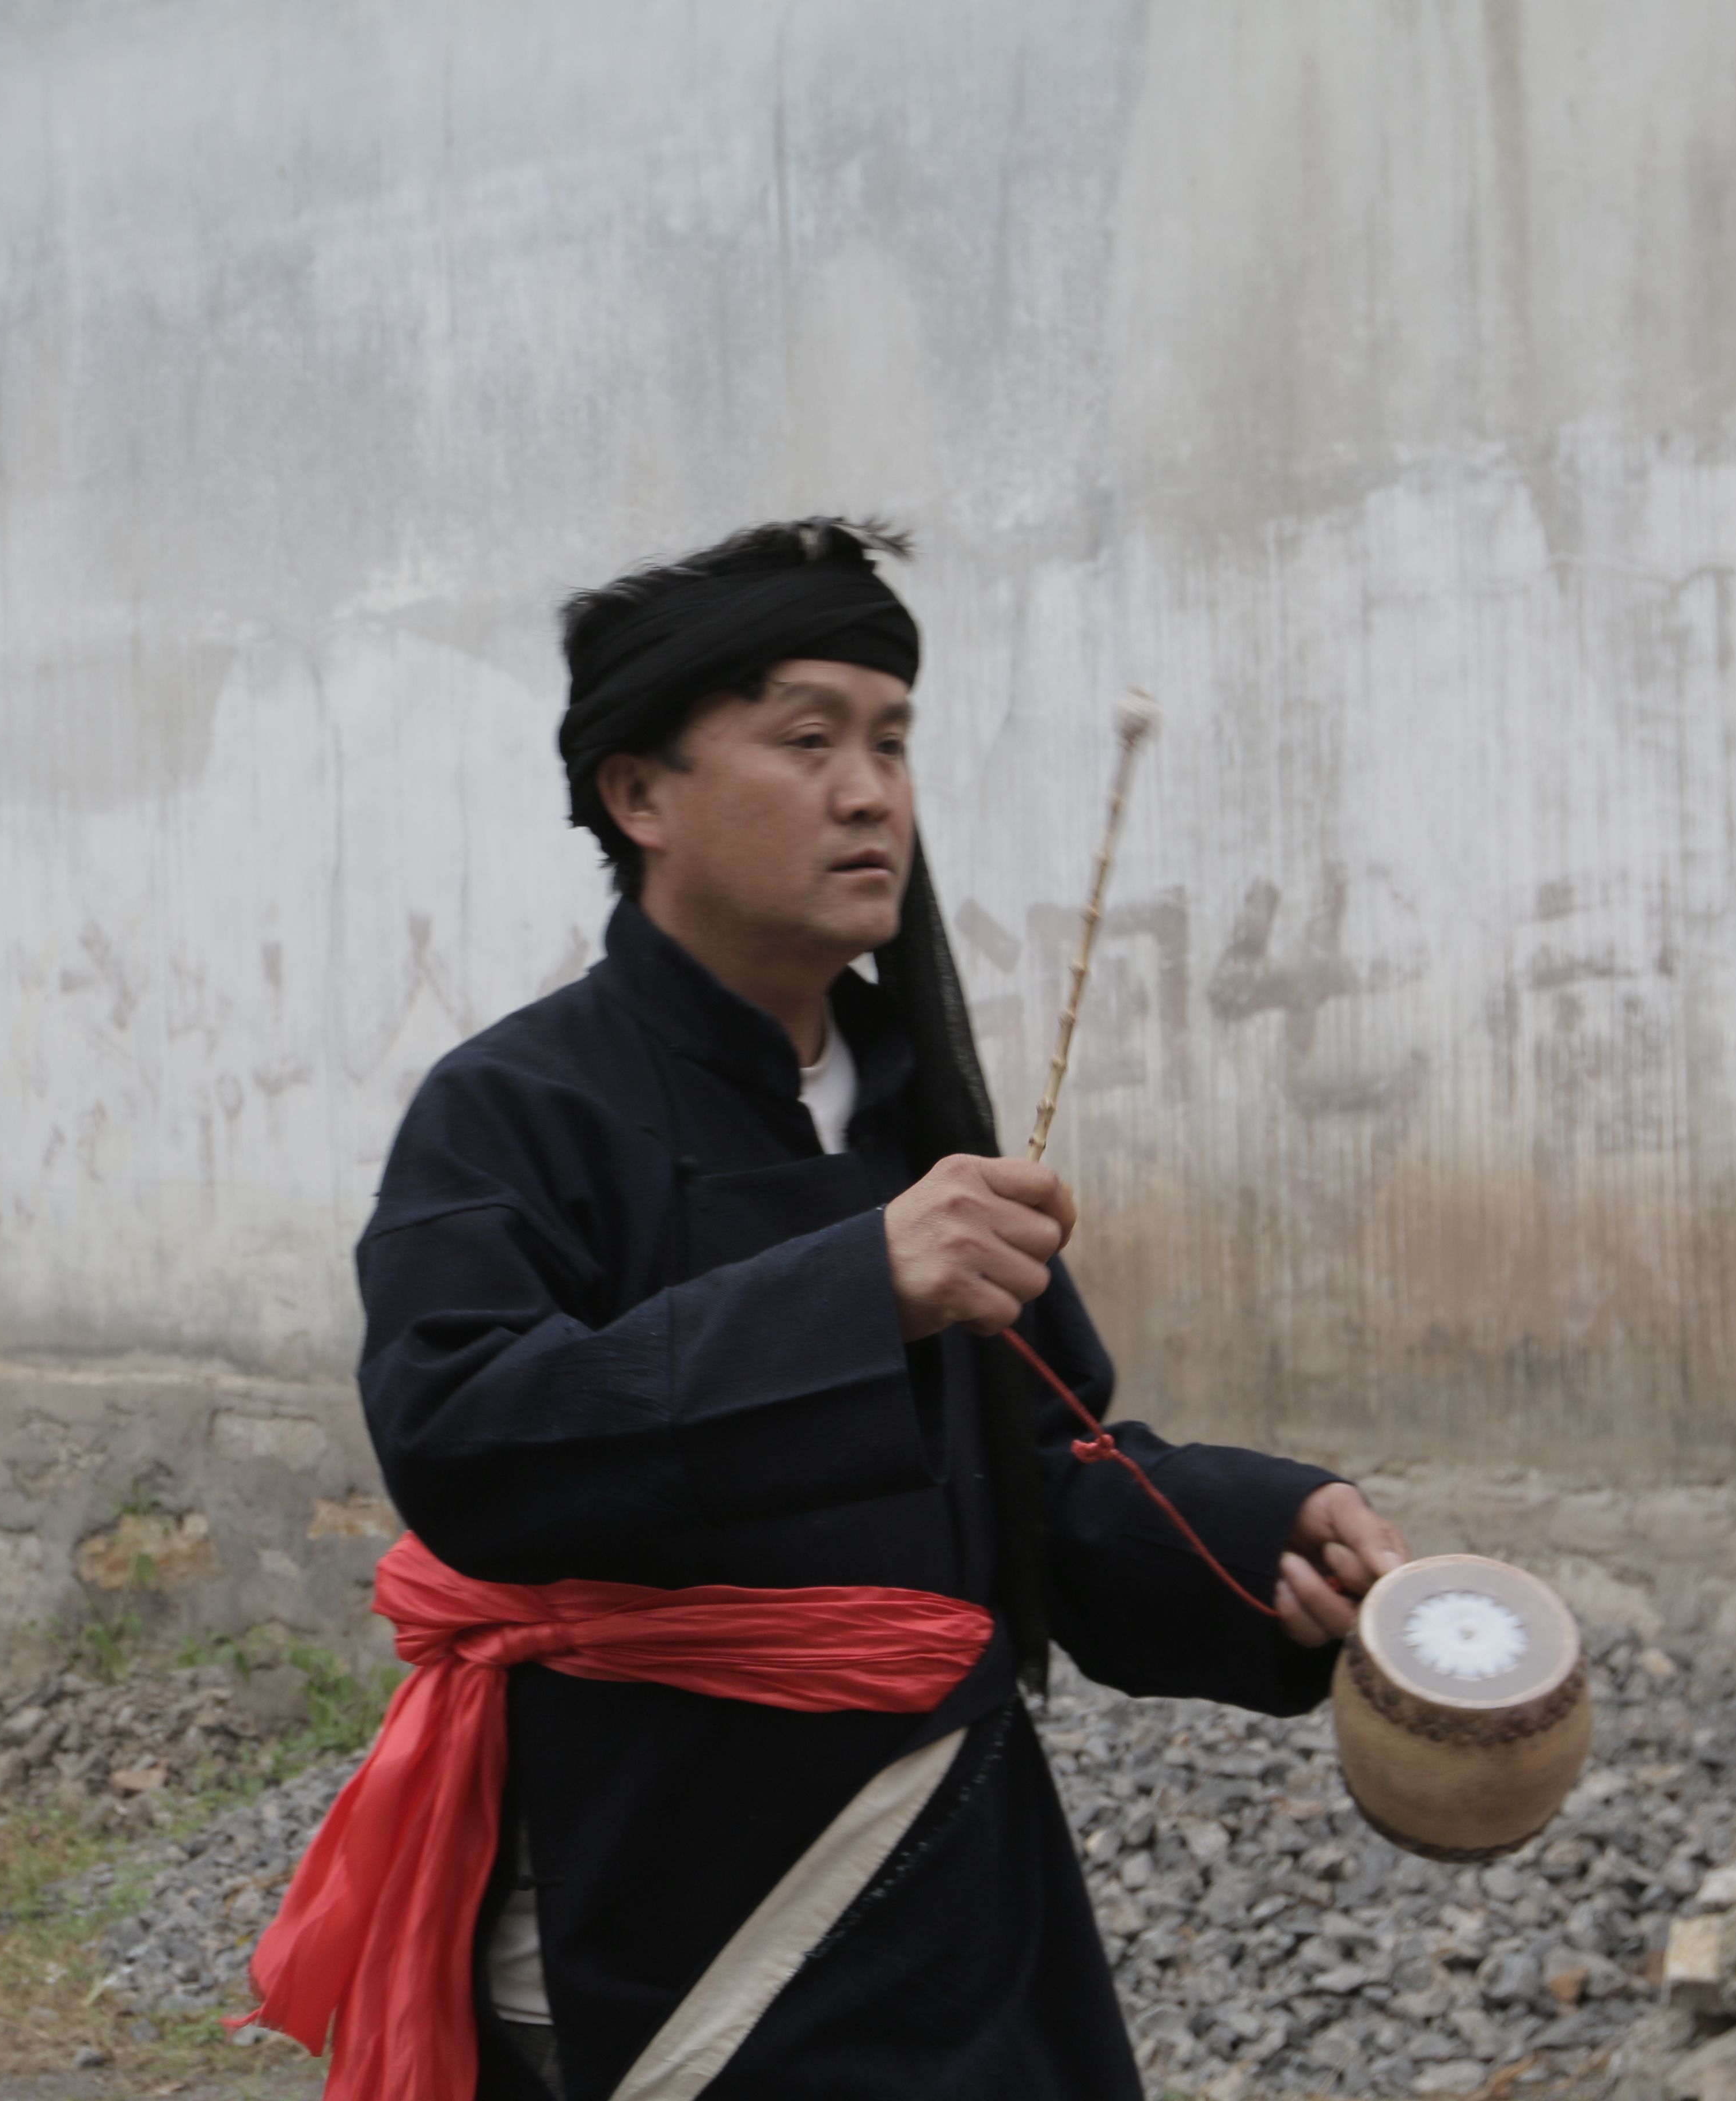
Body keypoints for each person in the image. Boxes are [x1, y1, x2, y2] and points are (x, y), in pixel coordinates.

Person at [262, 521, 1412, 2099]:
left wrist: (1255, 1541)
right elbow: (466, 1444)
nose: (871, 793)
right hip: (677, 1915)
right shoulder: (514, 1112)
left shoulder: (914, 1116)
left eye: (892, 742)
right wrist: (858, 1289)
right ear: (639, 794)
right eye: (808, 741)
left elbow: (1042, 1476)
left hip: (953, 1884)